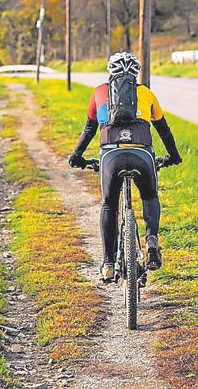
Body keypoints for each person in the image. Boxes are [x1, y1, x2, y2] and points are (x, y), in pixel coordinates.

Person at [68, 52, 182, 281]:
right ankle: (151, 240)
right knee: (149, 196)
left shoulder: (99, 93)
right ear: (135, 73)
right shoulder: (146, 93)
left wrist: (77, 156)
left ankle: (108, 264)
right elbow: (164, 130)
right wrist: (173, 156)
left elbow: (89, 130)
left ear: (110, 72)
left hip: (111, 156)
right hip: (142, 154)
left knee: (109, 204)